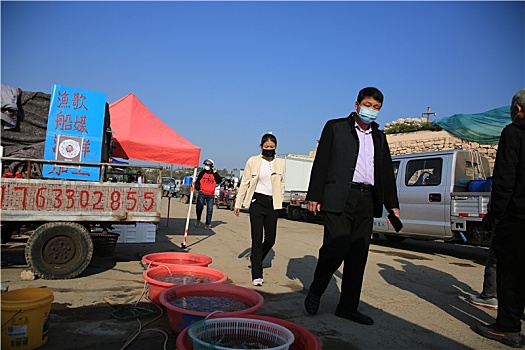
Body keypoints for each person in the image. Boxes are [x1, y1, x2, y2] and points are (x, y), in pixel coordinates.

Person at [304, 87, 400, 326]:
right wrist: (314, 195)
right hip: (338, 197)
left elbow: (386, 172)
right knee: (337, 247)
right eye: (368, 105)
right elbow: (322, 162)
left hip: (367, 200)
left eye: (377, 107)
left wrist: (393, 205)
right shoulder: (335, 127)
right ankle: (317, 289)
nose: (372, 111)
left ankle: (347, 307)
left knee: (358, 254)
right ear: (357, 105)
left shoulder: (379, 136)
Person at [473, 88, 525, 348]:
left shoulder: (514, 133)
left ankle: (507, 328)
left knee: (510, 274)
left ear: (517, 109)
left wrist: (496, 216)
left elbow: (504, 180)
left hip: (516, 218)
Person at [234, 133, 285, 286]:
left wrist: (280, 198)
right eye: (266, 146)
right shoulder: (253, 161)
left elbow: (282, 183)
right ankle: (257, 274)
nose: (269, 149)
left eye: (272, 147)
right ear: (261, 146)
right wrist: (238, 203)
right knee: (256, 240)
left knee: (270, 239)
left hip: (272, 204)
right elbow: (245, 183)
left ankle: (255, 258)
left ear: (276, 147)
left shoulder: (281, 163)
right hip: (257, 202)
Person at [194, 159, 222, 229]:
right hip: (202, 193)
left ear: (211, 166)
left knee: (209, 210)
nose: (206, 166)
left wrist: (215, 173)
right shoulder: (202, 173)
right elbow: (197, 181)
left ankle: (208, 223)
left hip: (211, 195)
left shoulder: (214, 173)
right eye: (205, 165)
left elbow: (219, 181)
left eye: (208, 165)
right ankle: (198, 219)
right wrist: (197, 188)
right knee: (199, 207)